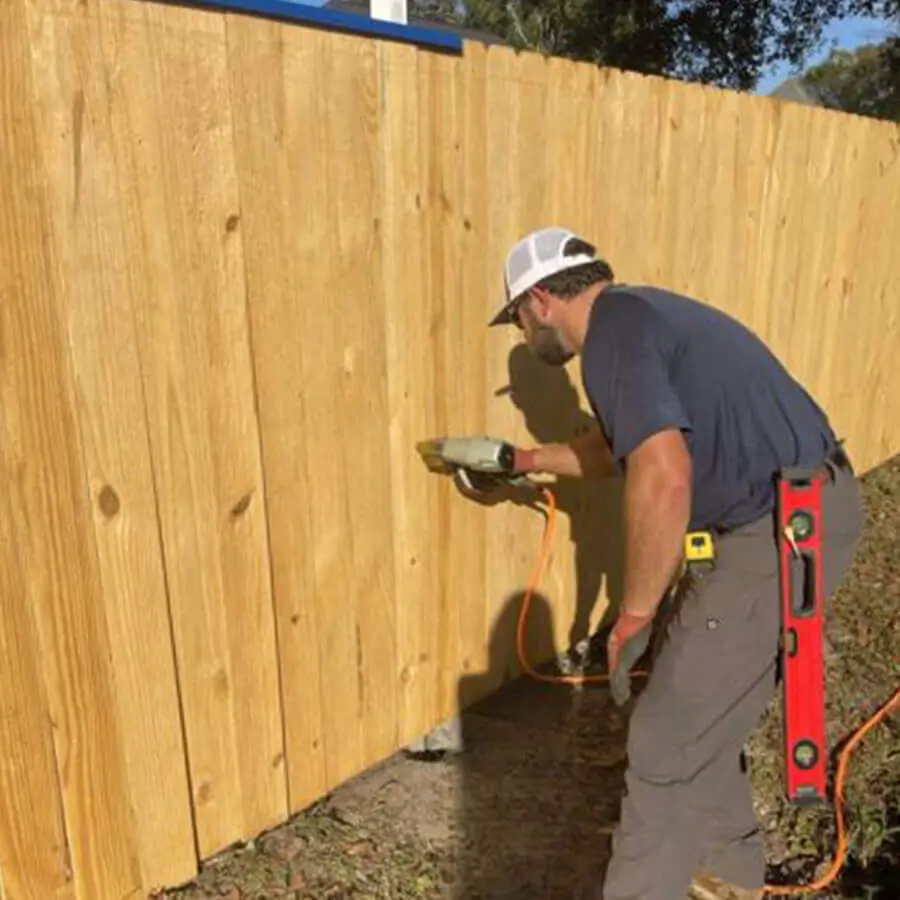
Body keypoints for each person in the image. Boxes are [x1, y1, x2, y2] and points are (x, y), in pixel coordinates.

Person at [485, 226, 865, 900]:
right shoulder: (637, 317)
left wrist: (634, 614)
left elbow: (662, 476)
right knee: (702, 717)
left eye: (517, 316)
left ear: (540, 300)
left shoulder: (612, 336)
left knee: (665, 739)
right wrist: (522, 461)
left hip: (775, 529)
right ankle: (727, 877)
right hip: (795, 513)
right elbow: (618, 449)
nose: (521, 332)